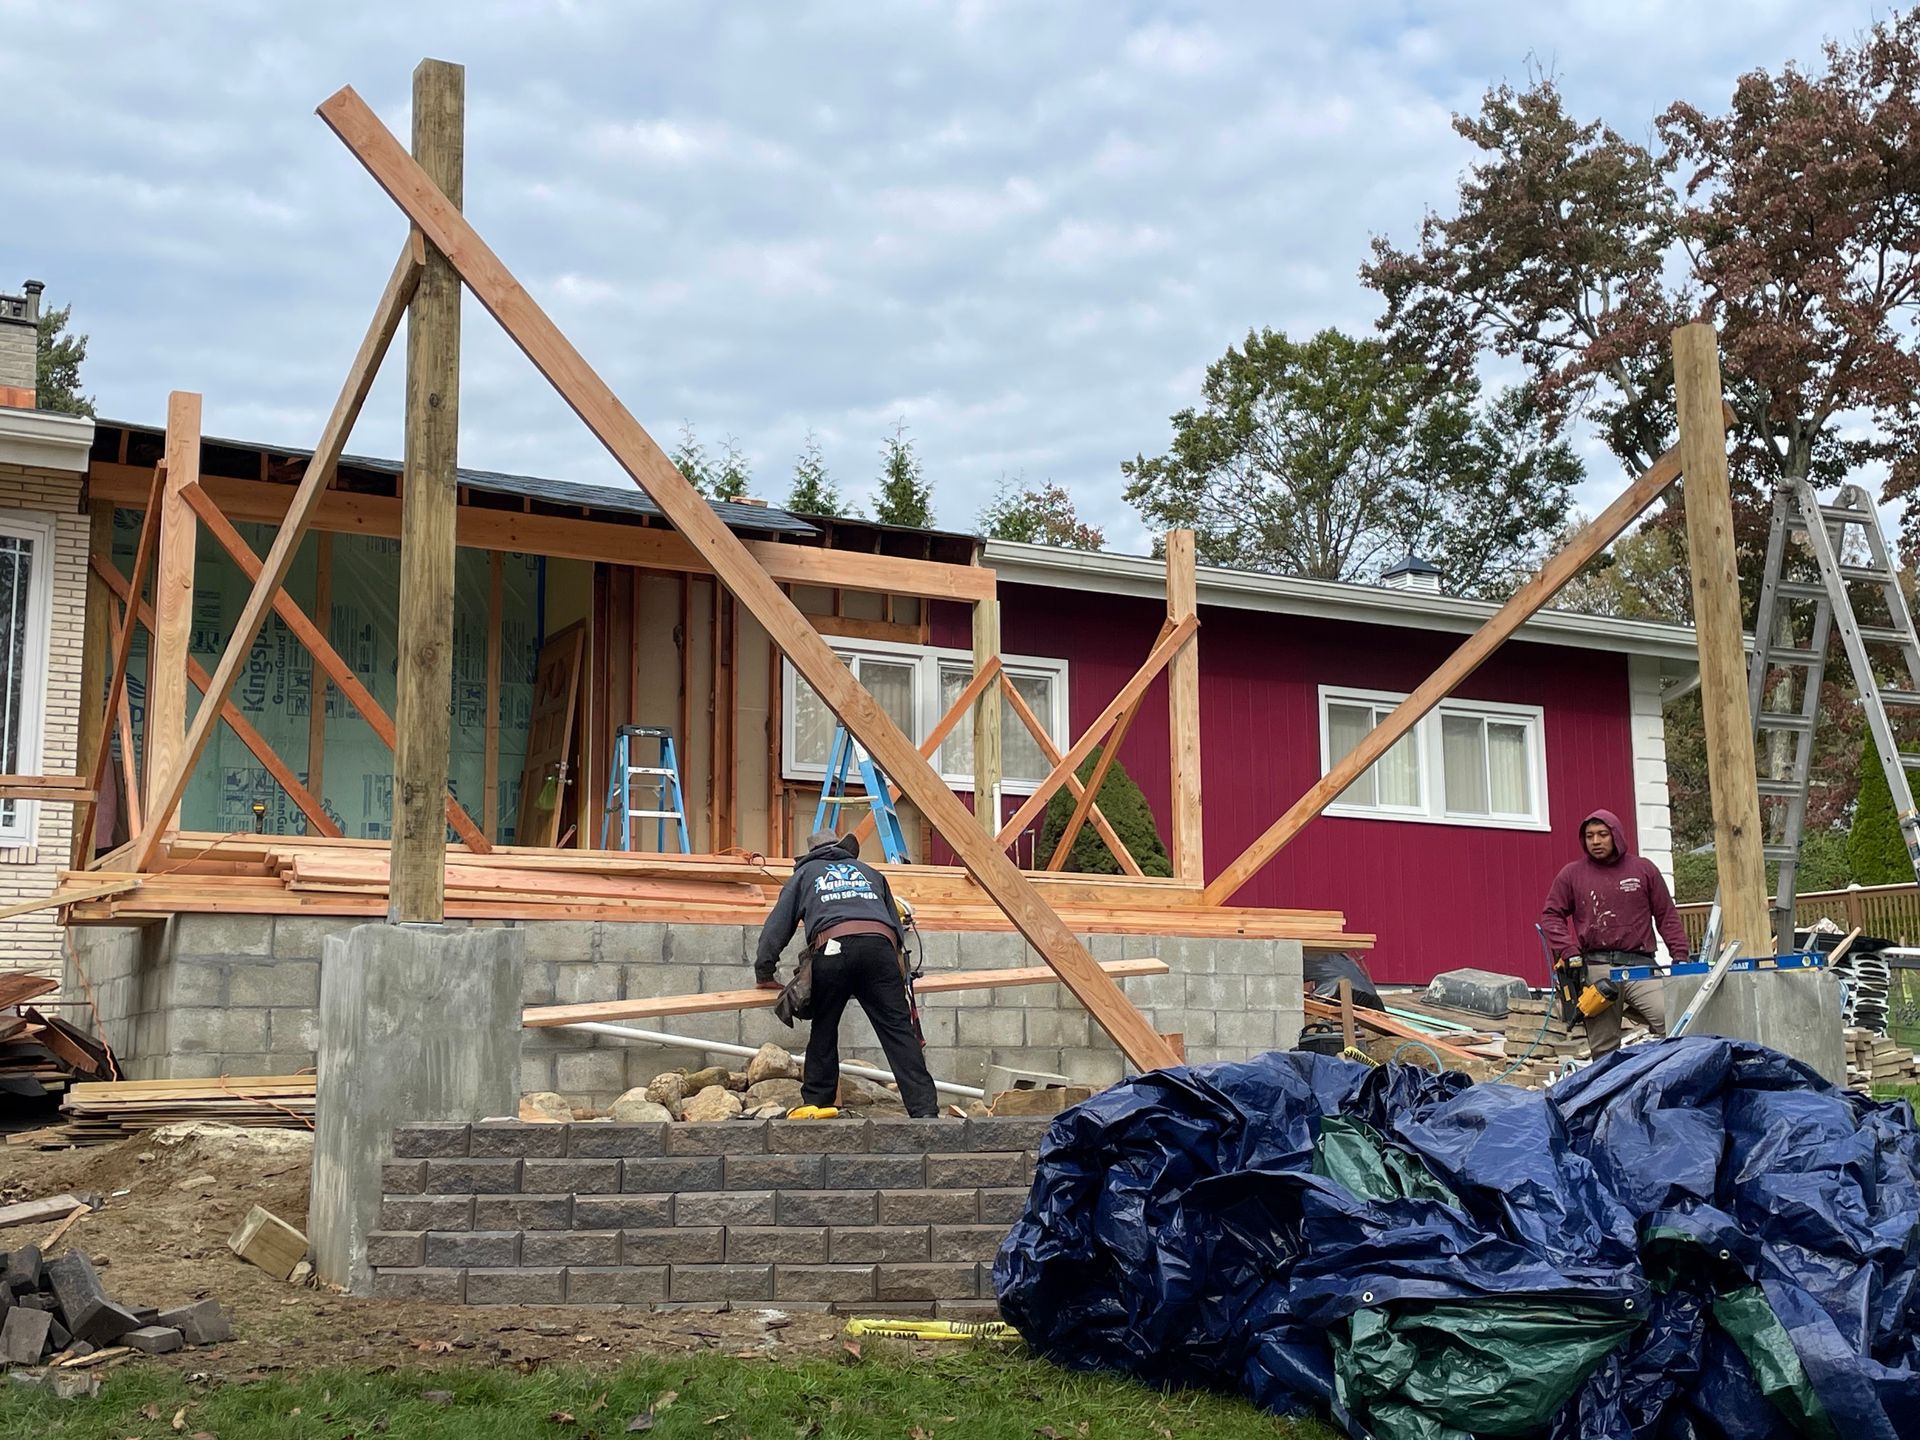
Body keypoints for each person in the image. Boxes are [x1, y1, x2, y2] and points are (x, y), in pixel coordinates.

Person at [754, 828, 939, 1117]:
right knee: (898, 1031)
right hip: (880, 950)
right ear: (844, 850)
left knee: (825, 1026)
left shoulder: (804, 875)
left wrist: (764, 972)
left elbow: (777, 927)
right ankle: (925, 1110)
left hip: (833, 949)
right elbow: (895, 926)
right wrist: (897, 974)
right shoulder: (870, 873)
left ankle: (819, 1102)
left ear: (811, 855)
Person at [1539, 808, 1690, 1057]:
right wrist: (1568, 950)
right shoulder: (1572, 874)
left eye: (1602, 834)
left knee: (1673, 1021)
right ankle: (1608, 1093)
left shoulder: (1643, 870)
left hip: (1640, 966)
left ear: (1616, 835)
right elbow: (1551, 915)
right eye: (1589, 836)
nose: (1596, 842)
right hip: (1597, 970)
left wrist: (1680, 957)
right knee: (1604, 1047)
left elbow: (1666, 916)